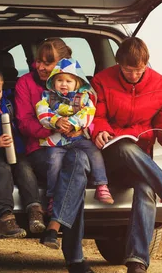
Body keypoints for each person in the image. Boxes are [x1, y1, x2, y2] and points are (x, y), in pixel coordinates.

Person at [90, 37, 162, 273]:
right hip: (107, 159)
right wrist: (99, 130)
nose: (133, 75)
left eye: (138, 70)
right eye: (128, 70)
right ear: (119, 63)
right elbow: (96, 116)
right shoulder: (102, 81)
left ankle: (137, 263)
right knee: (125, 147)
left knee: (146, 187)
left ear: (146, 64)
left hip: (139, 163)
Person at [15, 38, 94, 273]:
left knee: (77, 163)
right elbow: (23, 123)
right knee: (73, 174)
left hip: (73, 147)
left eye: (48, 63)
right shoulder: (25, 83)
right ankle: (75, 259)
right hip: (40, 148)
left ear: (65, 64)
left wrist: (79, 127)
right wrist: (55, 127)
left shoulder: (77, 86)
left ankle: (53, 227)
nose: (40, 67)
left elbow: (90, 115)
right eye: (39, 61)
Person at [36, 57, 113, 249]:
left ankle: (102, 185)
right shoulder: (48, 97)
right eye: (60, 80)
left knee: (95, 152)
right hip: (57, 140)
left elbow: (88, 113)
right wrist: (55, 122)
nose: (64, 84)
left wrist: (74, 123)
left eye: (69, 81)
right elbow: (42, 112)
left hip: (79, 138)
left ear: (77, 83)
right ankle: (53, 197)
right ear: (53, 82)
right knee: (53, 162)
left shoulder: (84, 97)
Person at [0, 64, 46, 239]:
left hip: (15, 151)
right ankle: (6, 218)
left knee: (25, 168)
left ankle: (35, 211)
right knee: (3, 171)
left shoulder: (7, 102)